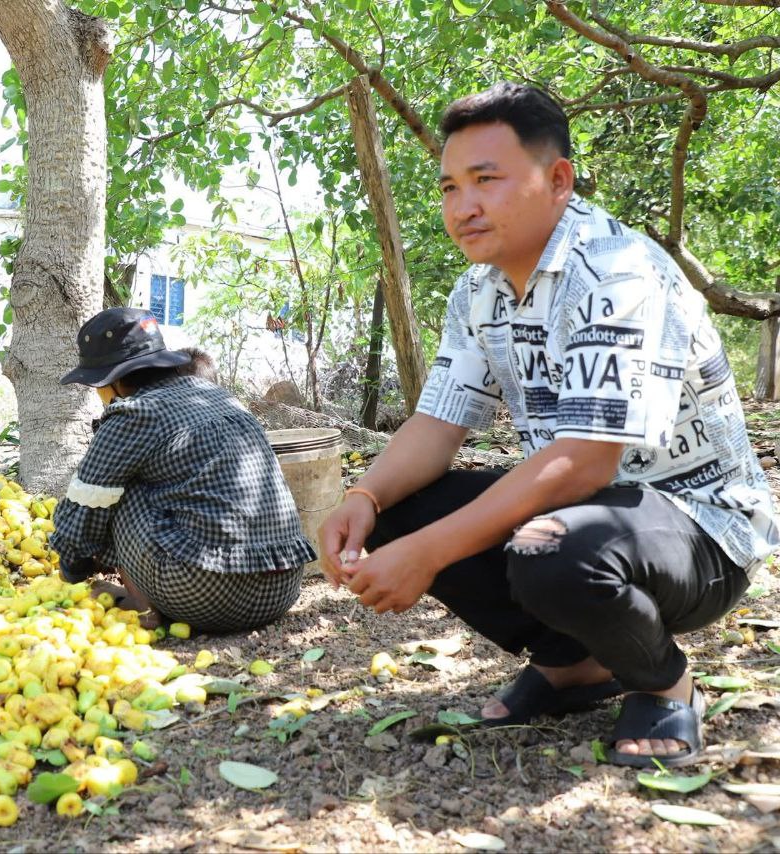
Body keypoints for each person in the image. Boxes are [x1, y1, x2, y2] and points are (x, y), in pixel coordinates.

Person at [320, 82, 777, 768]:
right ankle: (576, 664)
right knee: (400, 510)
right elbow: (438, 421)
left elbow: (586, 461)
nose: (463, 206)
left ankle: (664, 683)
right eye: (449, 187)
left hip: (701, 529)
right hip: (589, 513)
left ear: (558, 180)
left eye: (486, 180)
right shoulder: (478, 289)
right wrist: (363, 498)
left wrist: (430, 553)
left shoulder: (616, 271)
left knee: (546, 548)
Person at [51, 307, 315, 633]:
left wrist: (72, 571)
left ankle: (143, 607)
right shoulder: (218, 396)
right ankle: (154, 594)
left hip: (208, 596)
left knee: (112, 484)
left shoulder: (135, 413)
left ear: (112, 381)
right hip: (281, 588)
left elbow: (83, 509)